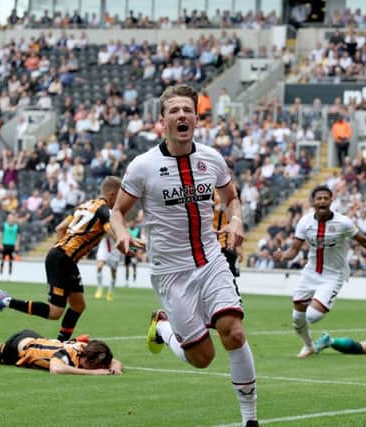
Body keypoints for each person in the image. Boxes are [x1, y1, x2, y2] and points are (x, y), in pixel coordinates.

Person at [110, 84, 258, 427]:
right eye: (174, 110)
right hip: (171, 272)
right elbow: (118, 212)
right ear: (162, 120)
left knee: (233, 332)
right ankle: (163, 329)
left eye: (187, 110)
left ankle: (250, 420)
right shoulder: (142, 167)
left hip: (210, 260)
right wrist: (120, 233)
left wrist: (235, 219)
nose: (181, 116)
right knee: (202, 358)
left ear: (195, 117)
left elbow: (231, 199)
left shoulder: (212, 159)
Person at [0, 177, 144, 342]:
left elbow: (61, 228)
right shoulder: (105, 212)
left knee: (78, 305)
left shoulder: (84, 206)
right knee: (55, 312)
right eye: (119, 197)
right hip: (62, 259)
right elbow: (117, 239)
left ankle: (61, 343)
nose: (120, 201)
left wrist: (66, 249)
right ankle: (5, 301)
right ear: (112, 194)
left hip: (63, 257)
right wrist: (136, 249)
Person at [273, 185, 366, 358]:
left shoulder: (343, 223)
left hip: (333, 275)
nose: (322, 201)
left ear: (331, 200)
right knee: (297, 317)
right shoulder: (305, 222)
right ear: (313, 202)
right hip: (311, 272)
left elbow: (365, 241)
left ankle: (317, 335)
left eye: (326, 198)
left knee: (312, 315)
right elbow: (293, 251)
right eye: (319, 198)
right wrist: (283, 256)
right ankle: (309, 346)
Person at [0, 329, 122, 375]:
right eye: (97, 365)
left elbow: (114, 361)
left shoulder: (85, 350)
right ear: (86, 360)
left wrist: (116, 367)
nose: (100, 367)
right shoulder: (66, 356)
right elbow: (56, 369)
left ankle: (73, 339)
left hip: (37, 339)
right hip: (18, 345)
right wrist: (93, 374)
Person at [93, 236, 120, 301]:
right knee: (99, 266)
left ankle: (110, 292)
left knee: (113, 272)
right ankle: (99, 288)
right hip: (104, 246)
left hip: (115, 248)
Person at [0, 213, 20, 279]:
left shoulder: (16, 226)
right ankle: (0, 274)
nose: (10, 219)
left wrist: (17, 245)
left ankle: (10, 275)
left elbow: (18, 236)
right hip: (5, 244)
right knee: (2, 260)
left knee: (11, 260)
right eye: (9, 218)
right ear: (7, 219)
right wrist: (0, 243)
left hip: (12, 245)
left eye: (12, 218)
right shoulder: (4, 225)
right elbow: (0, 234)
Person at [124, 218, 141, 286]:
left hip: (134, 251)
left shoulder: (137, 231)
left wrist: (138, 251)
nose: (131, 224)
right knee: (127, 266)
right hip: (128, 250)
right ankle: (127, 280)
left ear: (135, 224)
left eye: (133, 223)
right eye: (130, 223)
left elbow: (139, 240)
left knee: (134, 266)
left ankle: (134, 280)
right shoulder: (127, 230)